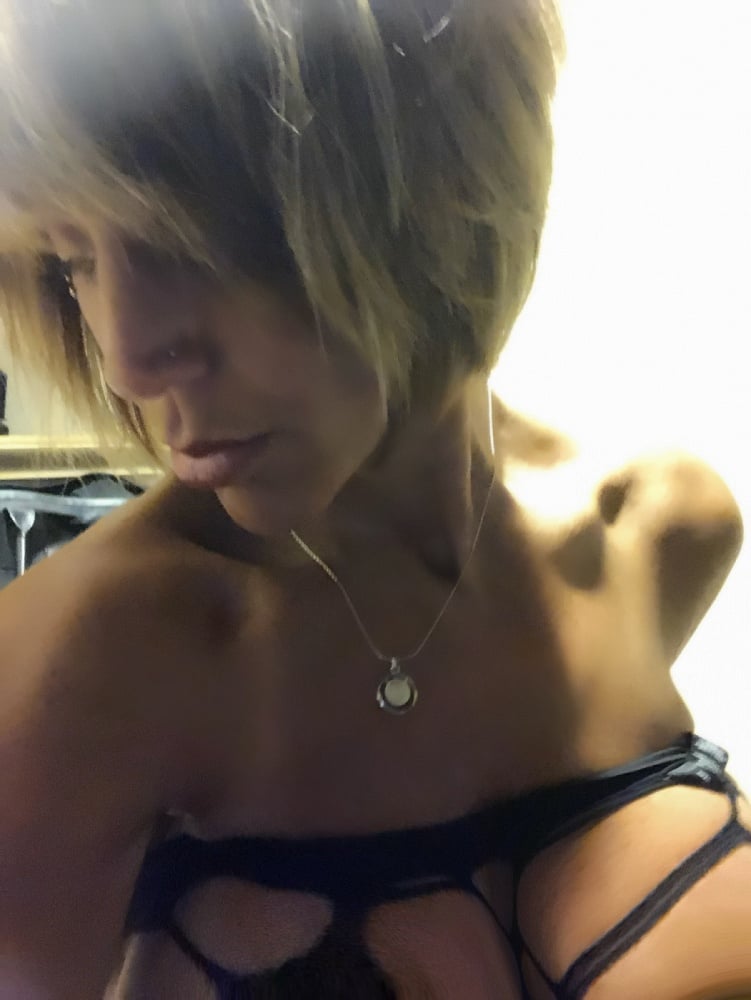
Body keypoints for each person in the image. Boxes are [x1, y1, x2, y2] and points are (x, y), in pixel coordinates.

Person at [0, 1, 749, 998]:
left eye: (191, 235)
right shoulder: (85, 663)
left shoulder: (663, 530)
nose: (128, 357)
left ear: (446, 183)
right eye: (73, 260)